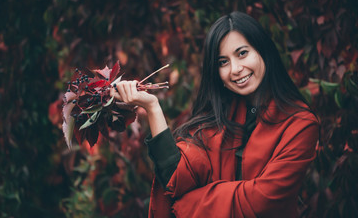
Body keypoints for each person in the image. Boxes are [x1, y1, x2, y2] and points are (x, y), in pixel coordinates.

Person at [110, 11, 319, 218]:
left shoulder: (300, 124)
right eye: (223, 62)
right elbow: (177, 179)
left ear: (263, 51)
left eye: (242, 53)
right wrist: (153, 107)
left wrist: (191, 204)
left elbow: (263, 200)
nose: (235, 69)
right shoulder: (217, 118)